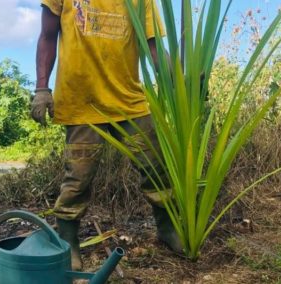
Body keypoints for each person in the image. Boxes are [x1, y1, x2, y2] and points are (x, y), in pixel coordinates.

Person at [31, 0, 182, 271]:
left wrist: (181, 81)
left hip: (128, 101)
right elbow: (47, 36)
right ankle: (68, 244)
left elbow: (153, 47)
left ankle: (167, 229)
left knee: (156, 168)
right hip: (81, 101)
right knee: (78, 179)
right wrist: (42, 88)